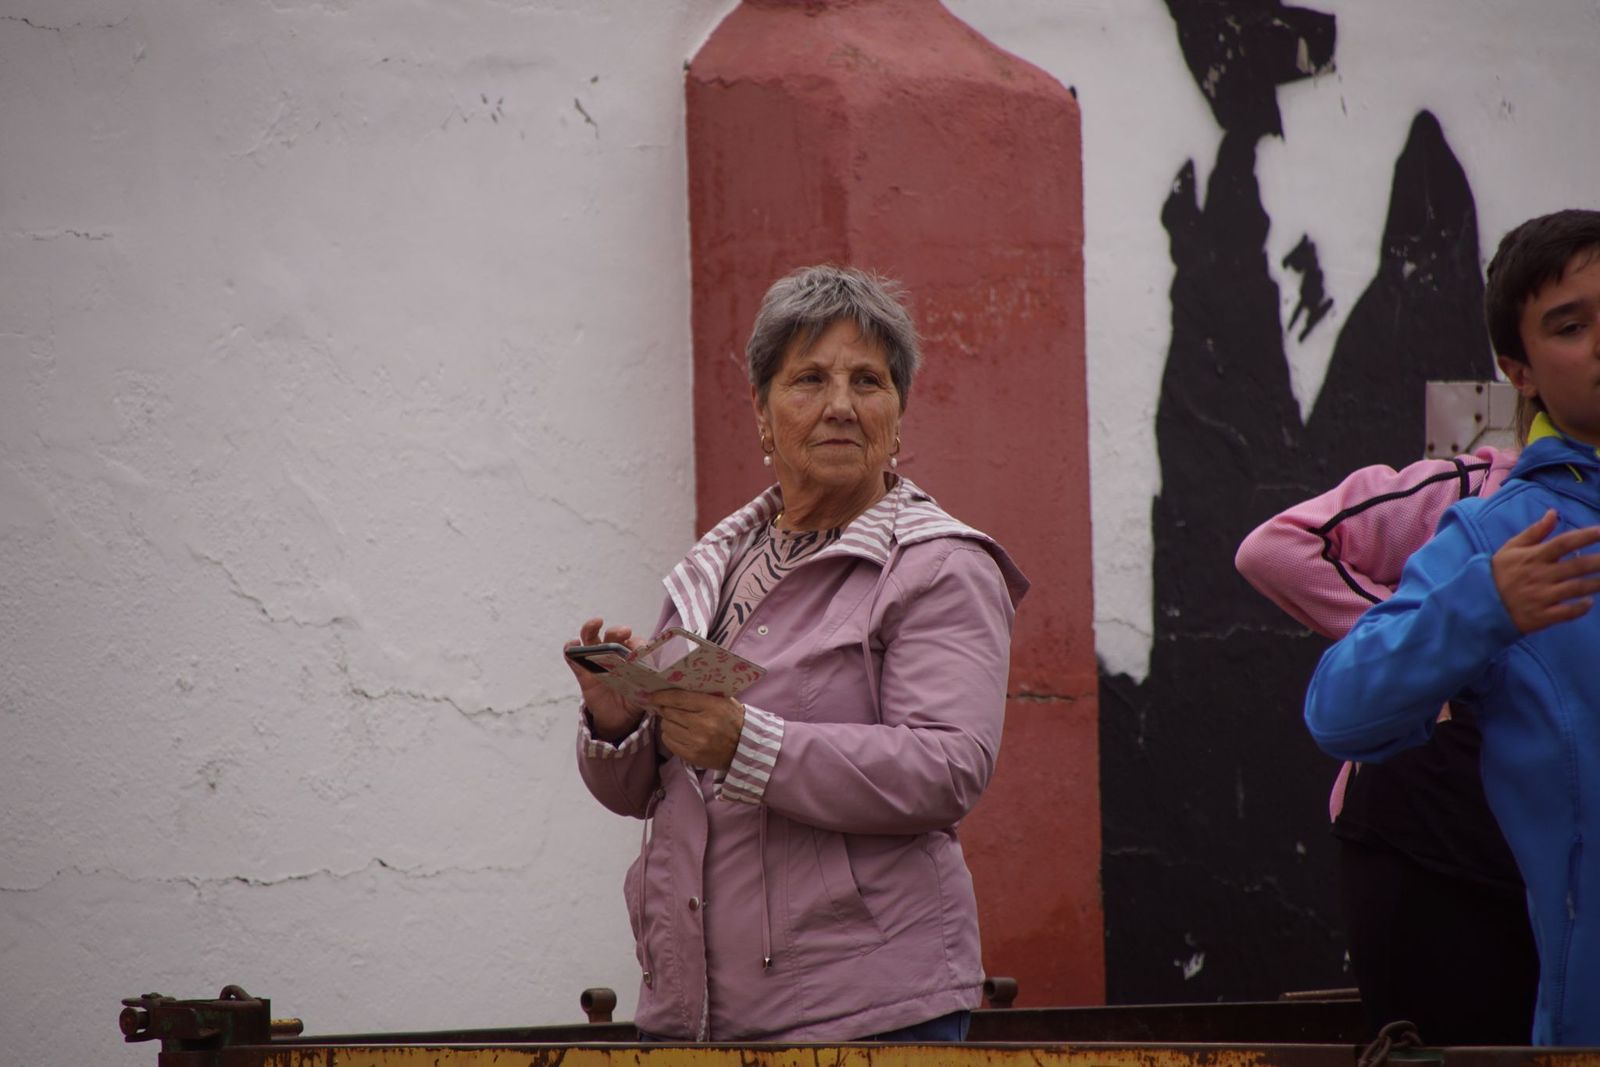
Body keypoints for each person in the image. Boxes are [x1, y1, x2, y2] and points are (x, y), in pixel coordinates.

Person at [565, 265, 1027, 1043]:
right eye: (809, 378)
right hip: (696, 1014)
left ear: (899, 415)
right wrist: (620, 724)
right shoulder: (715, 566)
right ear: (762, 411)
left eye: (869, 381)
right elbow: (658, 789)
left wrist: (749, 741)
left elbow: (949, 765)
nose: (841, 405)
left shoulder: (937, 564)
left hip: (869, 1013)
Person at [1304, 209, 1600, 1045]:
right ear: (1521, 370)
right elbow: (1341, 709)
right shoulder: (1496, 534)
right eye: (1571, 326)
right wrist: (1478, 609)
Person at [1237, 442, 1538, 1044]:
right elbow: (1274, 548)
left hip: (1543, 836)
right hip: (1418, 830)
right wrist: (1431, 646)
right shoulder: (1469, 489)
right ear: (1521, 372)